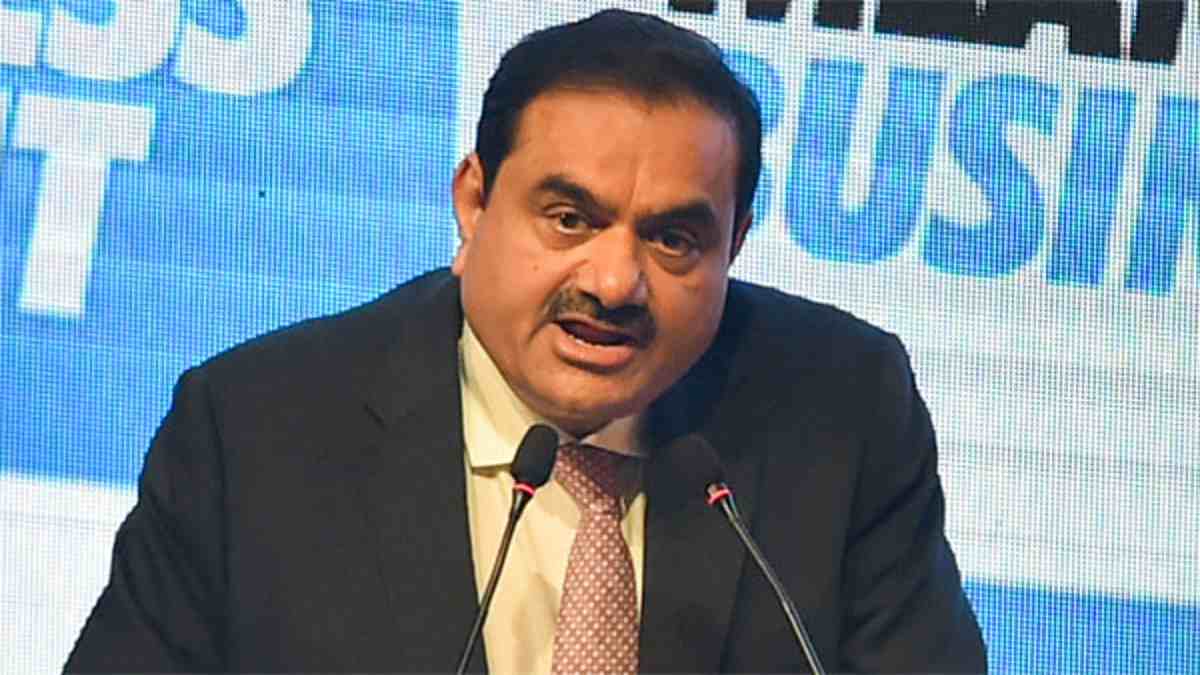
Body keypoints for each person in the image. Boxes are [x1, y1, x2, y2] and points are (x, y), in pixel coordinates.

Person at [66, 9, 986, 674]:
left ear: (735, 245)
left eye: (673, 238)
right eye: (569, 217)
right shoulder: (256, 431)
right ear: (474, 201)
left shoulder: (842, 409)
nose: (615, 282)